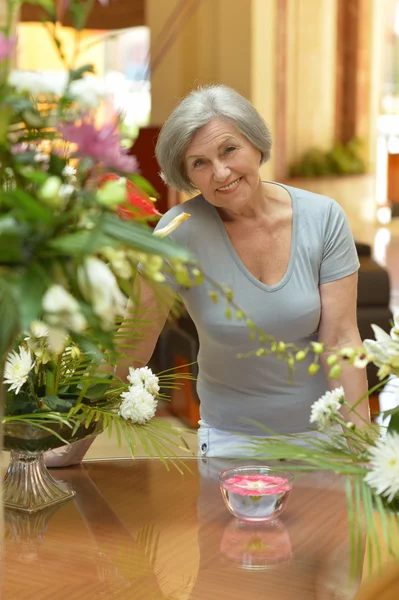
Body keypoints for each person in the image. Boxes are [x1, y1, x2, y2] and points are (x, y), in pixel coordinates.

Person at [46, 83, 369, 465]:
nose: (220, 172)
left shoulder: (323, 217)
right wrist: (73, 446)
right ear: (186, 176)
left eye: (229, 149)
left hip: (324, 437)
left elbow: (342, 341)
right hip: (232, 444)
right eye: (199, 163)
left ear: (255, 143)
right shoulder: (177, 232)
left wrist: (362, 450)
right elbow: (133, 345)